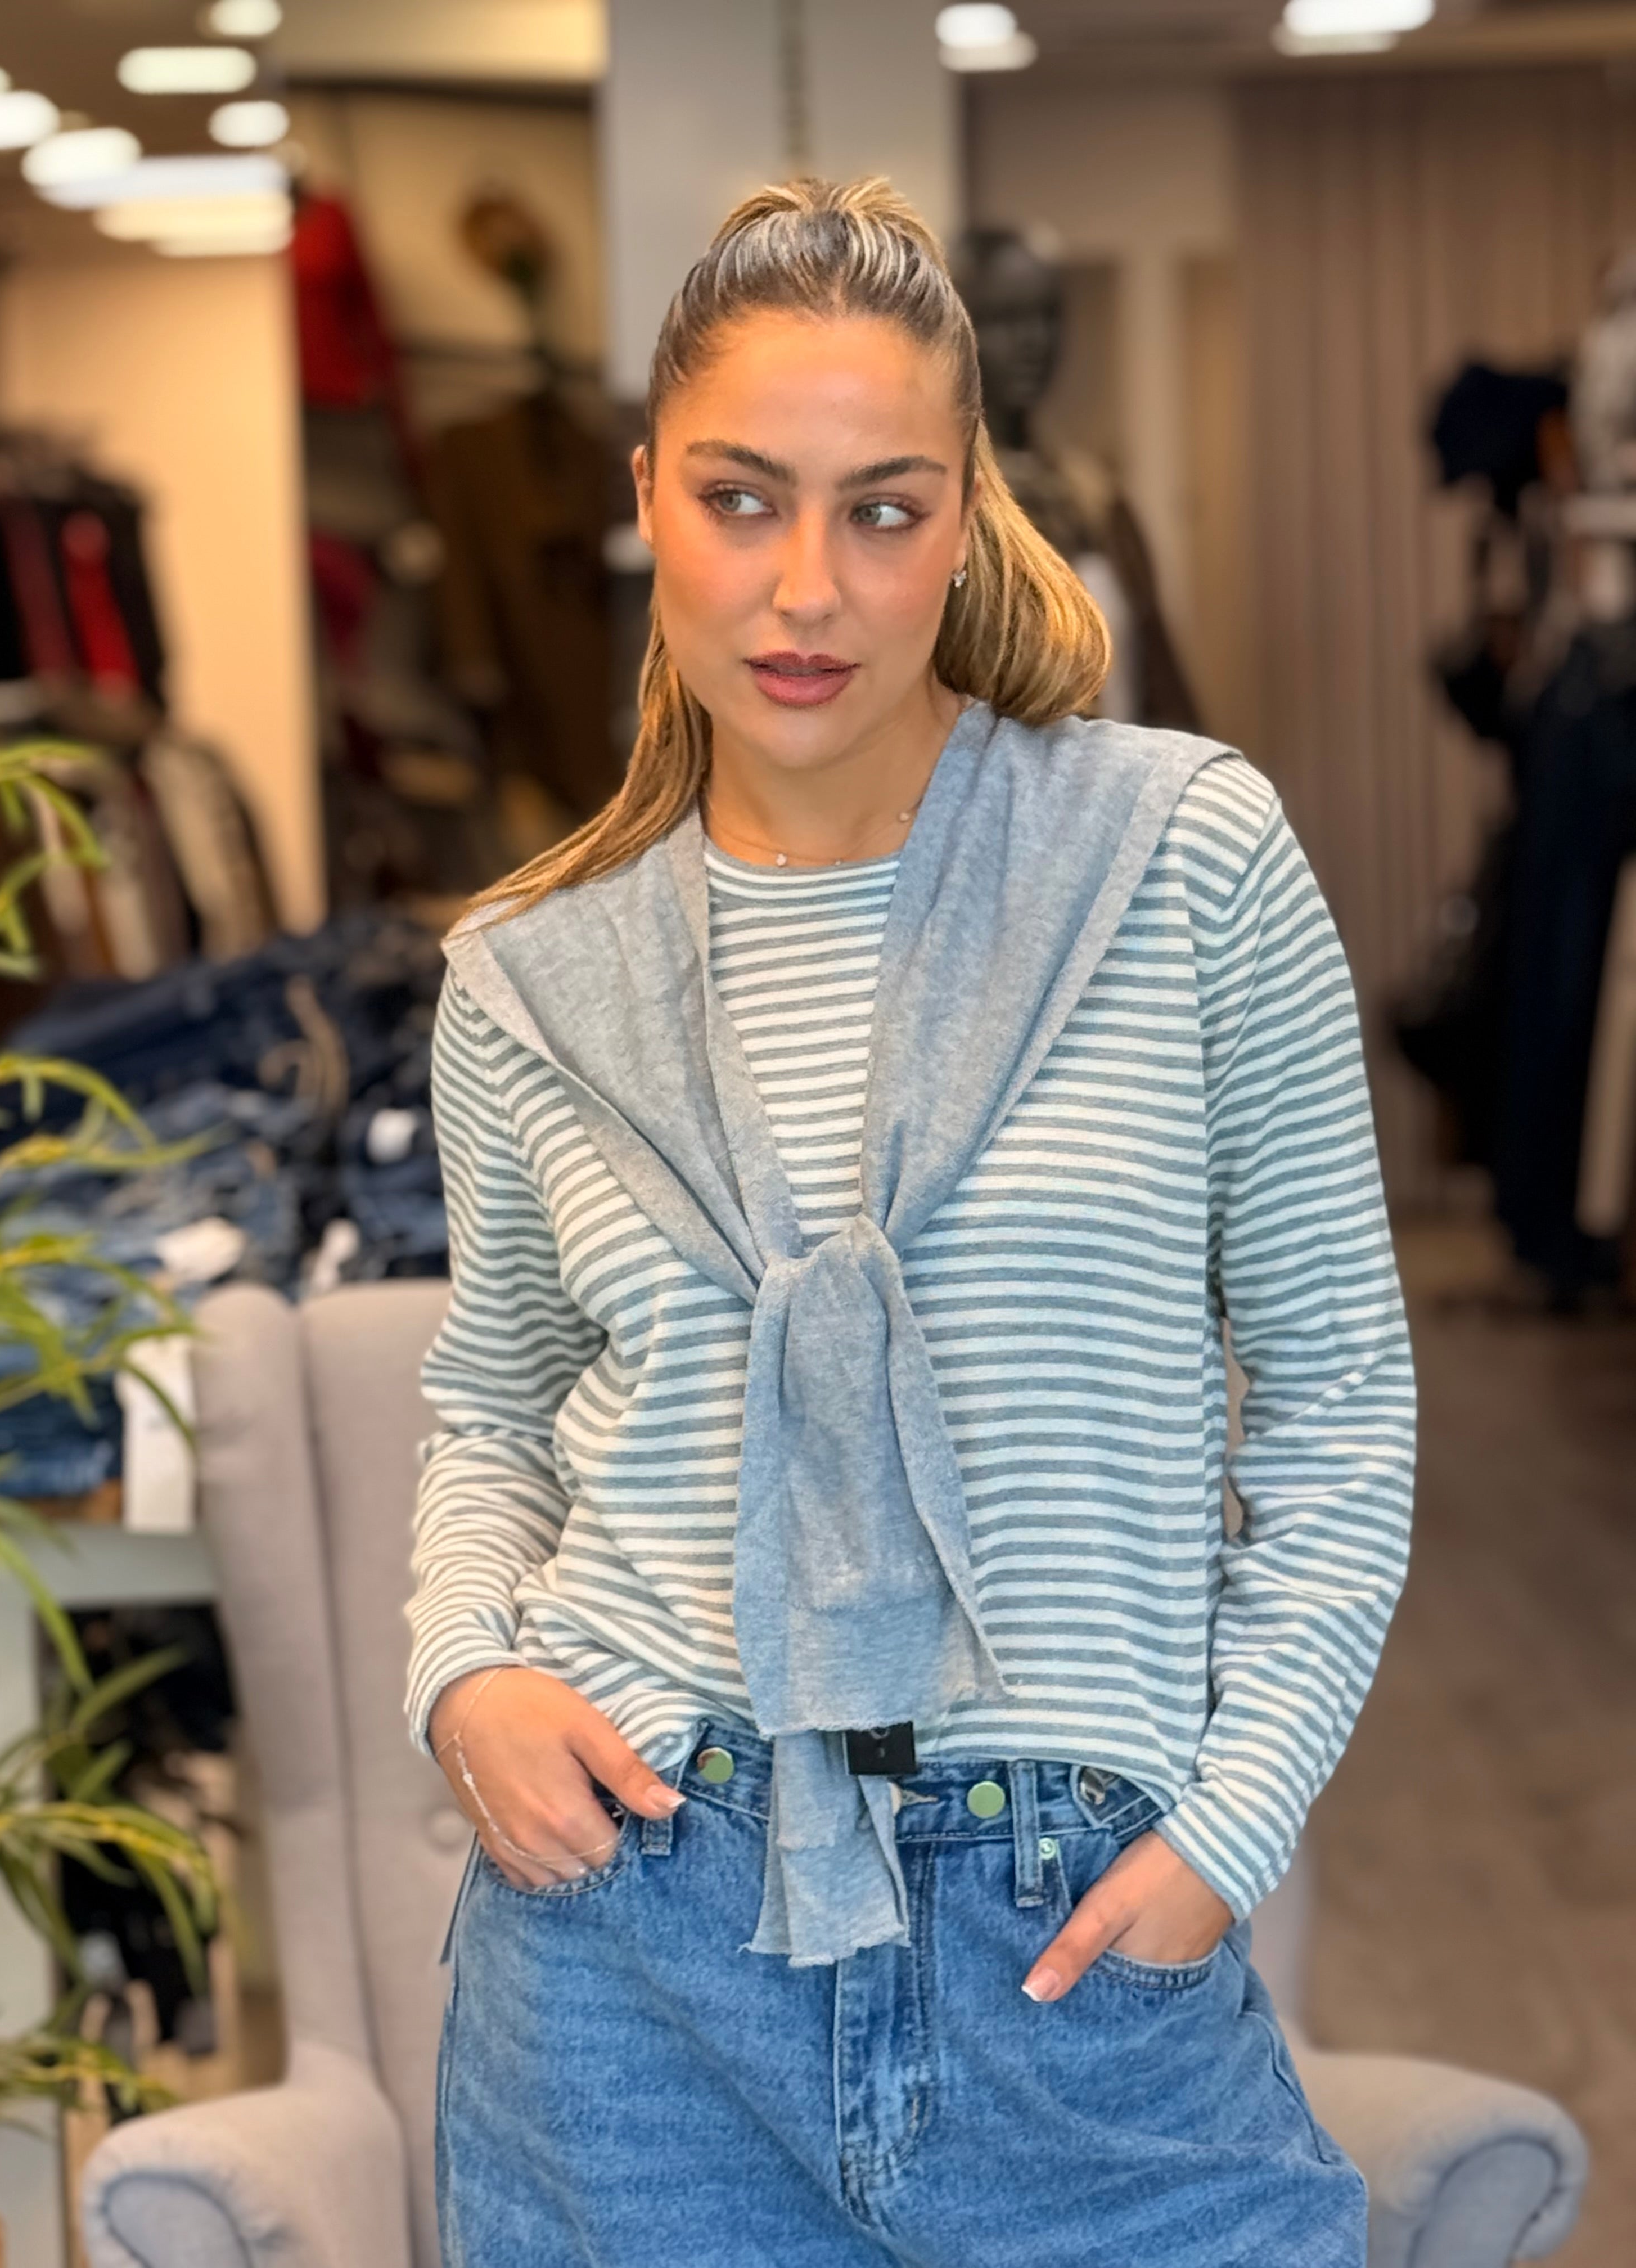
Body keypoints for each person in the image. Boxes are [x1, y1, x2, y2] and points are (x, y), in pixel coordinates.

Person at [407, 176, 1415, 2268]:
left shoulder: (1183, 862)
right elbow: (492, 1411)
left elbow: (1338, 1403)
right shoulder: (529, 978)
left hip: (1078, 1954)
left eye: (883, 510)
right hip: (632, 1958)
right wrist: (464, 1676)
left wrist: (1228, 1832)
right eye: (739, 500)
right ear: (647, 499)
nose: (808, 589)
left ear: (967, 516)